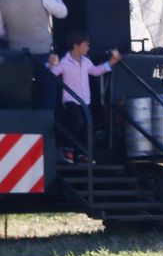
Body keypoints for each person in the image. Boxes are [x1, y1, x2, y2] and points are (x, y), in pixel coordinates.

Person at [46, 32, 119, 163]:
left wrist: (111, 63)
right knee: (77, 122)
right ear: (76, 46)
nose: (88, 48)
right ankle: (68, 150)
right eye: (85, 46)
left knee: (86, 126)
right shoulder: (64, 61)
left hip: (85, 100)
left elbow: (95, 71)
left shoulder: (86, 61)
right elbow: (53, 73)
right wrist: (50, 64)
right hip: (70, 99)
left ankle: (82, 154)